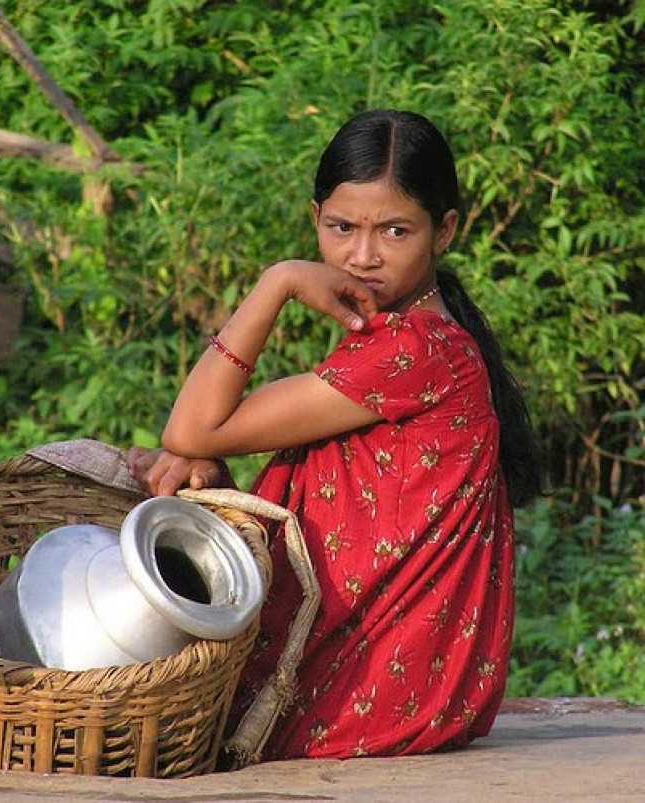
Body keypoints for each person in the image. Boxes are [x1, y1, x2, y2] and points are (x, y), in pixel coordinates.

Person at [127, 109, 541, 759]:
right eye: (341, 228)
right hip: (415, 687)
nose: (363, 255)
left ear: (445, 231)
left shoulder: (418, 346)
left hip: (365, 694)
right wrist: (203, 458)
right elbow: (209, 439)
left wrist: (280, 280)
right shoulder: (414, 336)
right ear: (316, 214)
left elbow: (193, 423)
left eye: (395, 230)